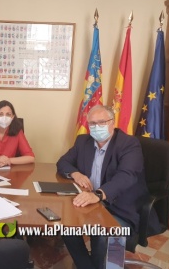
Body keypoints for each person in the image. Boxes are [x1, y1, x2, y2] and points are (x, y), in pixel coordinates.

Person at [56, 105, 160, 269]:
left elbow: (126, 176)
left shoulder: (128, 144)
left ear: (112, 123)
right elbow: (63, 162)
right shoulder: (83, 141)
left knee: (101, 234)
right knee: (66, 227)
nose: (96, 127)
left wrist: (98, 195)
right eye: (92, 124)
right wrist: (76, 174)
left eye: (102, 122)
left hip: (121, 207)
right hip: (93, 205)